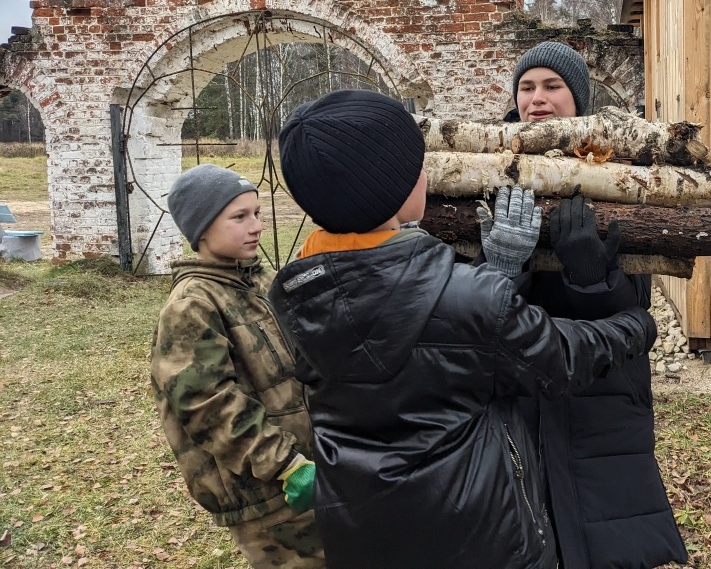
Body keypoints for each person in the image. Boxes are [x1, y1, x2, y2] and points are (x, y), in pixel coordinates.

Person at [267, 88, 658, 569]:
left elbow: (422, 351)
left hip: (367, 537)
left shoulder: (297, 297)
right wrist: (634, 324)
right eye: (416, 166)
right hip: (480, 536)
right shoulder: (467, 300)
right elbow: (562, 356)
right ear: (400, 187)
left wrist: (488, 279)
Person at [500, 40, 689, 568]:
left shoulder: (618, 174)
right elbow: (473, 315)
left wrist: (590, 276)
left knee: (605, 542)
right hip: (518, 397)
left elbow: (636, 310)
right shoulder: (488, 172)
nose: (537, 99)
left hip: (600, 397)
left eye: (552, 86)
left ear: (577, 98)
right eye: (527, 87)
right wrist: (504, 270)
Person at [150, 164, 324, 568]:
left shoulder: (261, 282)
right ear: (202, 228)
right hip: (263, 491)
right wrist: (286, 465)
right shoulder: (191, 306)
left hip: (308, 470)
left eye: (258, 214)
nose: (256, 227)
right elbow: (208, 406)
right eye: (239, 217)